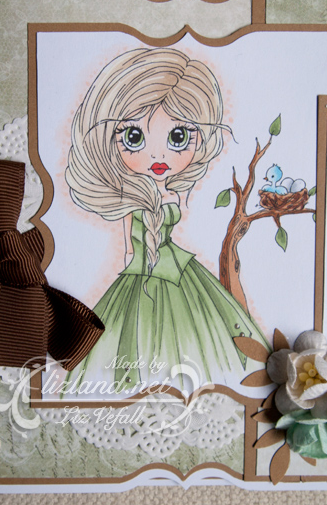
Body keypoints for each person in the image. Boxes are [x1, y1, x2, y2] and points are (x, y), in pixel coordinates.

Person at [65, 48, 269, 394]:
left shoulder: (173, 193)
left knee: (204, 336)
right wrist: (132, 263)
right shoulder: (133, 199)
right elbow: (130, 245)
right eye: (134, 137)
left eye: (178, 137)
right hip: (141, 276)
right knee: (136, 337)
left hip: (181, 272)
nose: (159, 155)